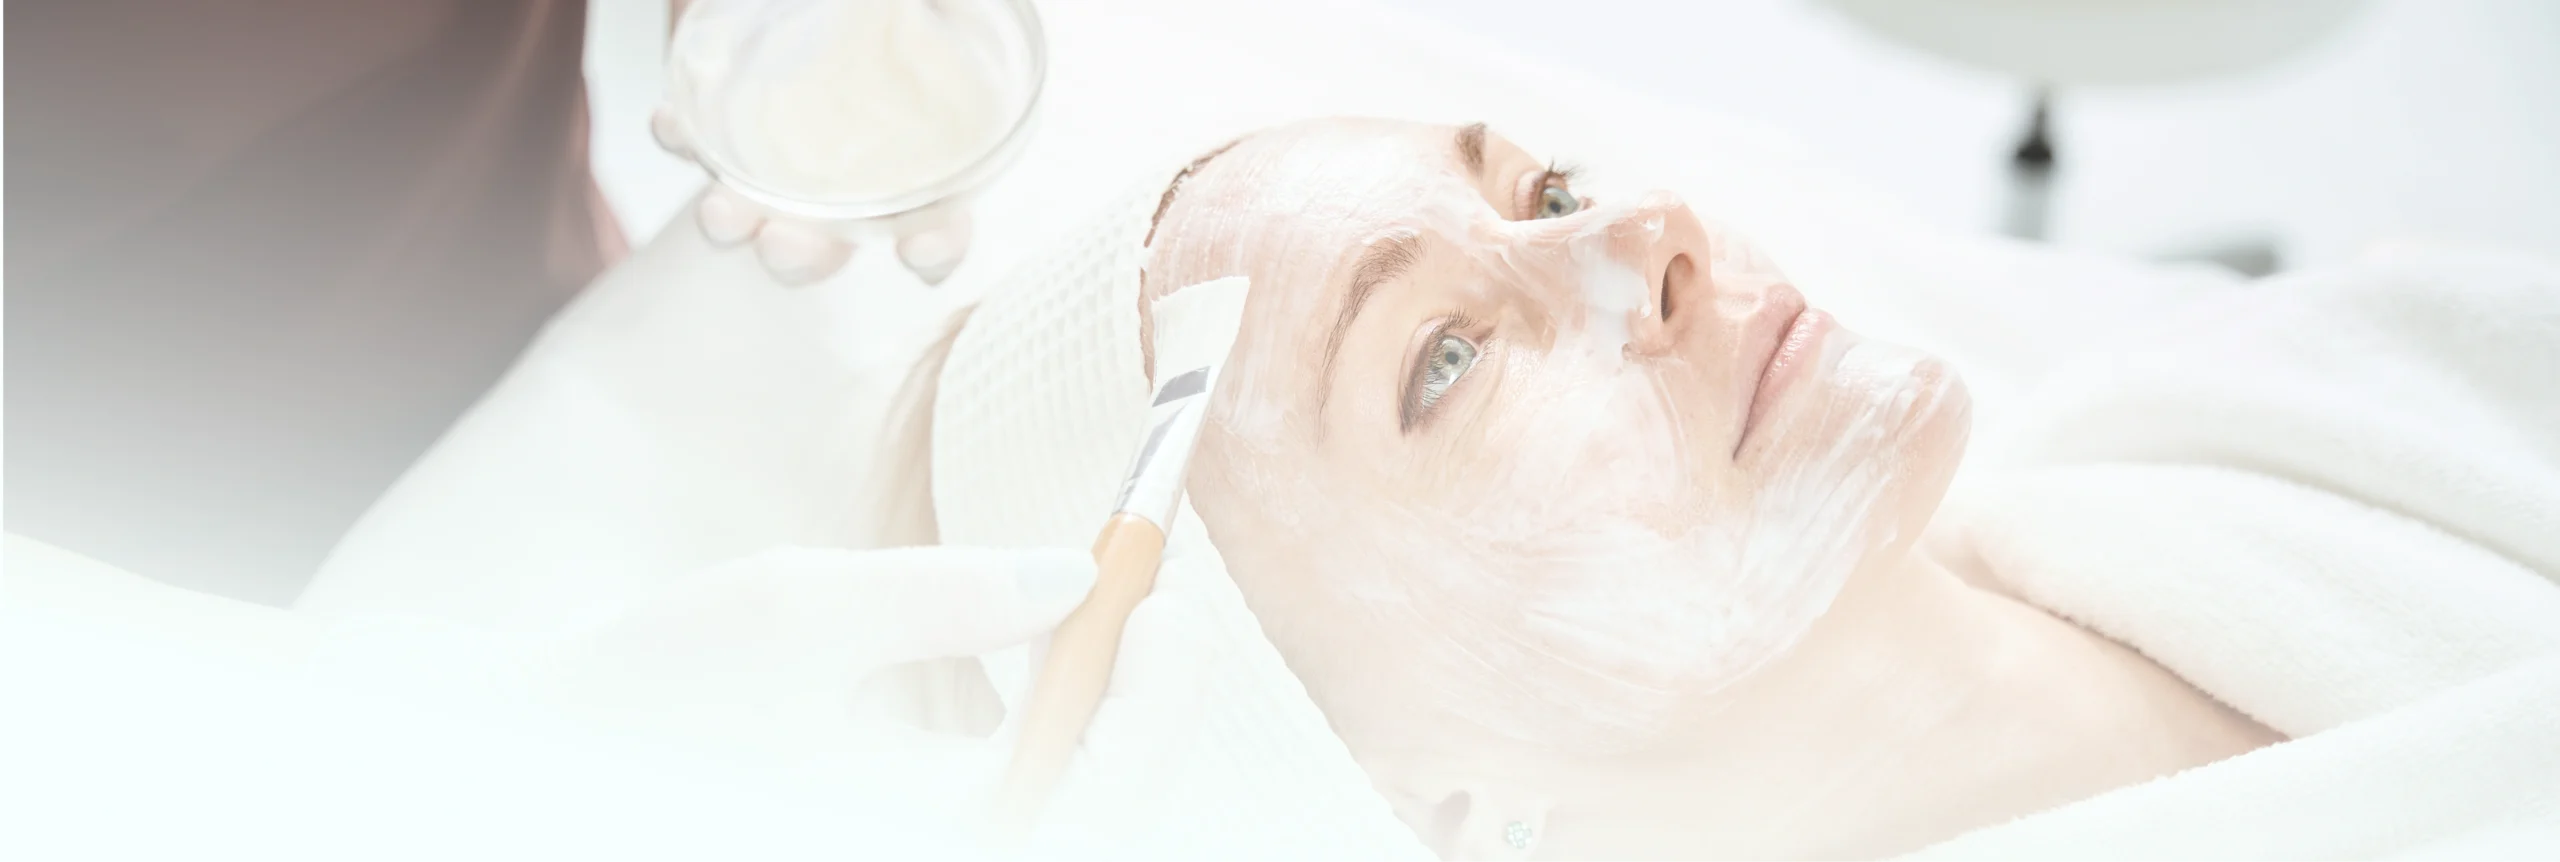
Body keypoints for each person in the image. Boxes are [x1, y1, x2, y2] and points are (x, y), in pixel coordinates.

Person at [1133, 118, 2287, 860]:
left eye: (1547, 197)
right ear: (1429, 799)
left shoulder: (2267, 395)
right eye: (1444, 357)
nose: (1652, 230)